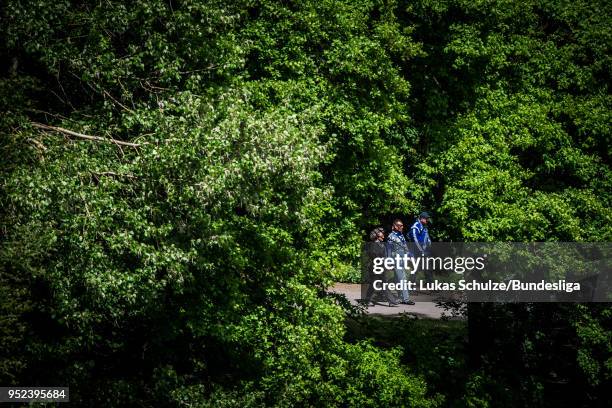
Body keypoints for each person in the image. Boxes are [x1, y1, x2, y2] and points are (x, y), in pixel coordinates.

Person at [361, 228, 398, 307]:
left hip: (381, 267)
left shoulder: (382, 245)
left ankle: (391, 301)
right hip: (375, 268)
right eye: (381, 234)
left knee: (384, 284)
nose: (383, 236)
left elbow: (384, 256)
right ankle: (367, 300)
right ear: (377, 235)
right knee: (373, 285)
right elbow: (374, 256)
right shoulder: (372, 245)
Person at [386, 219, 415, 305]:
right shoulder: (391, 236)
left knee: (397, 279)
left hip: (402, 259)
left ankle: (399, 297)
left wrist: (409, 255)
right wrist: (389, 261)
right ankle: (406, 299)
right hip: (396, 260)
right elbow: (389, 250)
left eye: (402, 225)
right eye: (400, 226)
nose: (402, 227)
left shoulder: (401, 235)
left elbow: (405, 246)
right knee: (403, 279)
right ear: (395, 226)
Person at [408, 211, 433, 283]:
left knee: (428, 269)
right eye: (426, 218)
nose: (427, 220)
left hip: (424, 251)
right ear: (421, 218)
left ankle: (432, 287)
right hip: (416, 252)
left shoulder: (424, 227)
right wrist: (421, 250)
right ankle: (409, 287)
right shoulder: (416, 226)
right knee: (415, 269)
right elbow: (415, 239)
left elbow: (427, 238)